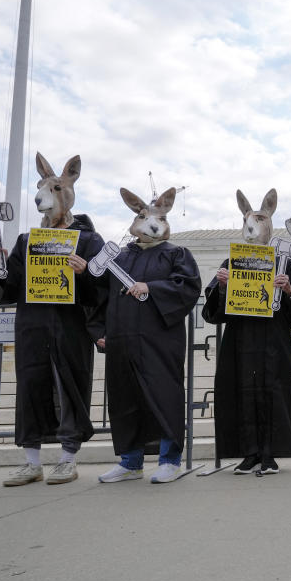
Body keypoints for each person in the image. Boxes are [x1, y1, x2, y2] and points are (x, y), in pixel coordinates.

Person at [0, 152, 105, 487]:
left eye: (54, 188)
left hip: (69, 329)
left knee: (68, 387)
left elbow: (102, 289)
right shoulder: (27, 242)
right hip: (32, 327)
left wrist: (85, 273)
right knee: (31, 388)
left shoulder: (87, 240)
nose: (46, 194)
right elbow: (8, 288)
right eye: (43, 187)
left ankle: (68, 459)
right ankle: (31, 461)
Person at [95, 188, 202, 484]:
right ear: (136, 218)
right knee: (124, 399)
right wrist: (100, 331)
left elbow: (189, 287)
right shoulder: (119, 256)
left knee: (163, 396)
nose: (152, 224)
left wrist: (152, 288)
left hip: (160, 341)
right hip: (122, 339)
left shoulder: (176, 254)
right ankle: (130, 463)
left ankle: (170, 460)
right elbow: (100, 296)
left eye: (159, 218)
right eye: (145, 217)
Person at [202, 256, 291, 474]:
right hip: (240, 339)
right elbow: (213, 313)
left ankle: (270, 454)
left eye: (260, 218)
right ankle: (249, 453)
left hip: (275, 340)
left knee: (274, 393)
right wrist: (223, 287)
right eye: (247, 218)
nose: (251, 222)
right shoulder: (232, 262)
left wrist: (289, 290)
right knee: (242, 392)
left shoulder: (285, 264)